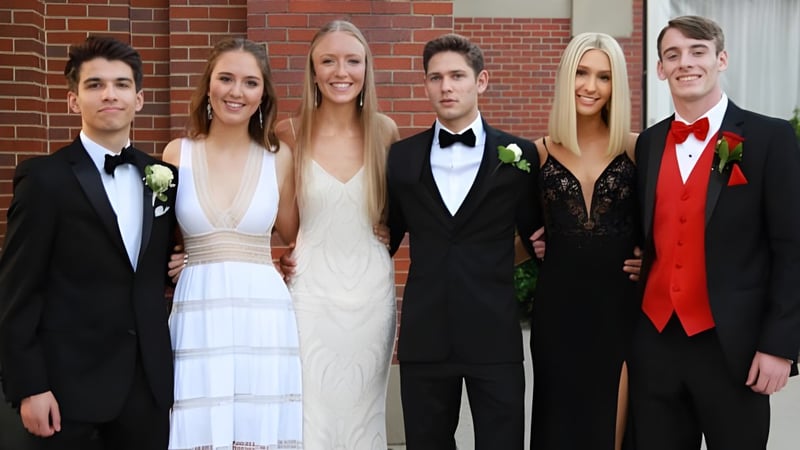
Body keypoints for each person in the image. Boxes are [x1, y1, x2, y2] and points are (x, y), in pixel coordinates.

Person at [629, 15, 800, 449]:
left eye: (697, 51)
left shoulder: (770, 138)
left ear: (721, 59)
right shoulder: (648, 144)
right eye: (673, 54)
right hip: (654, 343)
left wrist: (780, 345)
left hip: (734, 349)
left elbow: (792, 247)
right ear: (661, 68)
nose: (685, 62)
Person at [0, 36, 177, 449]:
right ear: (73, 101)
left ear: (139, 98)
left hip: (146, 390)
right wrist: (30, 386)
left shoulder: (164, 178)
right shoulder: (44, 179)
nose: (109, 94)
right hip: (65, 393)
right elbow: (16, 291)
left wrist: (184, 260)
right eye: (94, 85)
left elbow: (155, 264)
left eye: (121, 84)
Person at [386, 33, 540, 449]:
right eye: (435, 78)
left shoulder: (520, 155)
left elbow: (540, 236)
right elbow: (382, 237)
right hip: (425, 334)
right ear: (426, 85)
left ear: (481, 81)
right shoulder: (400, 159)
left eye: (457, 75)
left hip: (494, 333)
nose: (446, 86)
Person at [161, 38, 302, 449]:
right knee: (198, 422)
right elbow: (161, 238)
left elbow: (295, 236)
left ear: (263, 94)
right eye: (226, 78)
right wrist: (174, 258)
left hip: (263, 314)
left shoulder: (279, 158)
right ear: (209, 86)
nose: (236, 92)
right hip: (198, 311)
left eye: (250, 82)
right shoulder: (176, 154)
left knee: (254, 428)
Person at [274, 20, 400, 448]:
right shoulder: (288, 134)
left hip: (371, 296)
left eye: (352, 60)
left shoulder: (384, 131)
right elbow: (289, 228)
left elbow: (393, 214)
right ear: (312, 70)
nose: (340, 71)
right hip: (311, 297)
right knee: (311, 414)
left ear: (366, 68)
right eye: (328, 60)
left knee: (366, 415)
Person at [529, 32, 639, 450]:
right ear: (566, 76)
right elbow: (519, 236)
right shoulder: (537, 153)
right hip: (558, 311)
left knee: (611, 425)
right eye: (582, 72)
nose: (591, 86)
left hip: (619, 311)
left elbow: (662, 227)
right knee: (560, 424)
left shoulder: (636, 149)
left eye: (604, 77)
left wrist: (653, 260)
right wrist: (536, 244)